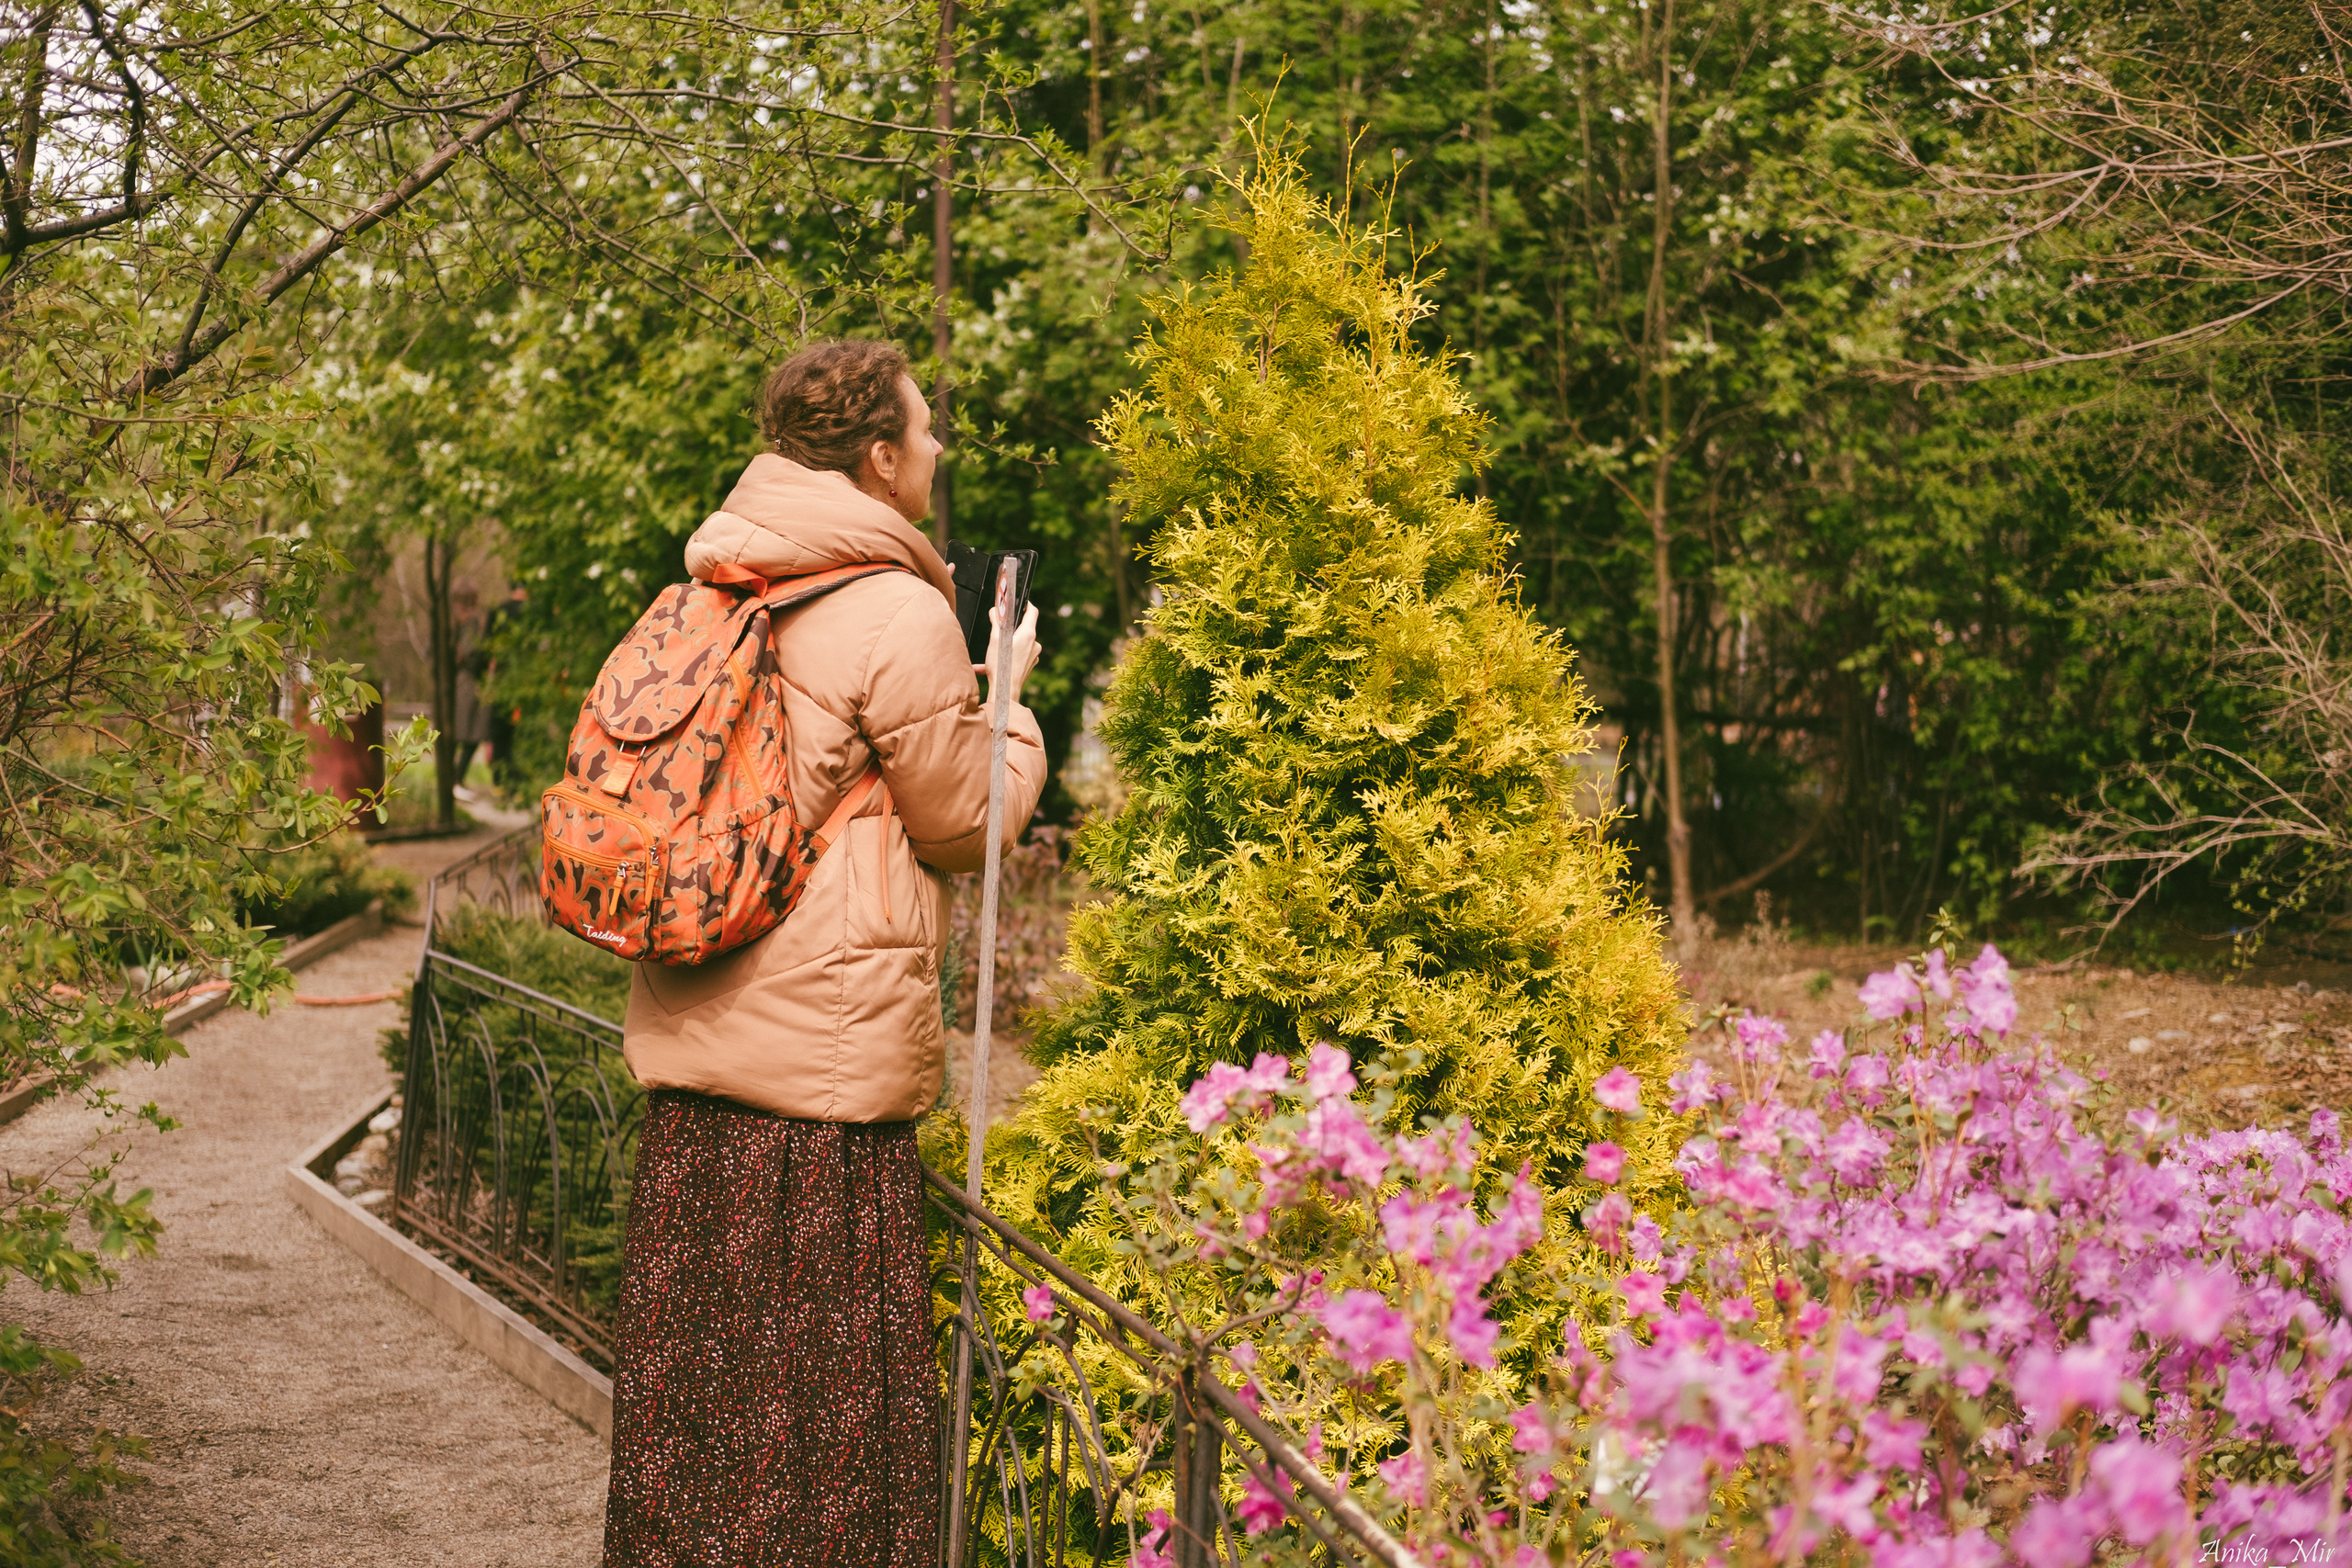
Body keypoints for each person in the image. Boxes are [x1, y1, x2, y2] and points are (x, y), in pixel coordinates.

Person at [602, 340, 1046, 1568]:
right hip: (821, 1092)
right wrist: (1010, 710)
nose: (940, 450)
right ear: (878, 456)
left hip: (701, 1081)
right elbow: (964, 824)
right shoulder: (900, 604)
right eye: (925, 429)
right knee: (822, 1431)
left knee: (708, 1422)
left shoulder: (715, 586)